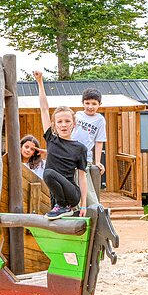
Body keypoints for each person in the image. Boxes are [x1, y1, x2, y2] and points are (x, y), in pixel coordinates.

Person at [33, 71, 87, 218]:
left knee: (48, 172)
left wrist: (83, 204)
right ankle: (61, 206)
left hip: (72, 194)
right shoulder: (52, 139)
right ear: (54, 125)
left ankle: (64, 206)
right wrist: (40, 82)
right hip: (56, 196)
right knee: (55, 222)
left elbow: (82, 177)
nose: (63, 125)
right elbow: (44, 109)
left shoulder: (80, 148)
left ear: (73, 124)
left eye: (67, 121)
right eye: (60, 122)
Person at [73, 88, 107, 181]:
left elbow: (99, 141)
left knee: (83, 181)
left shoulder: (100, 120)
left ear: (99, 104)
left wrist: (97, 161)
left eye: (94, 104)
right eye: (87, 103)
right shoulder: (77, 115)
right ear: (82, 103)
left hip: (85, 157)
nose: (90, 107)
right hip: (70, 154)